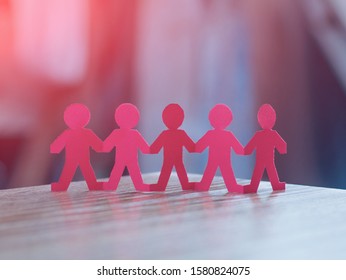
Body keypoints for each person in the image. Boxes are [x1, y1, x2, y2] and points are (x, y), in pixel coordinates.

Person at [50, 103, 103, 191]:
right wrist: (101, 147)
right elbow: (97, 144)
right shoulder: (78, 133)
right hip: (78, 157)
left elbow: (57, 144)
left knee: (75, 169)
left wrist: (54, 148)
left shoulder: (70, 133)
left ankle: (63, 186)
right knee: (81, 169)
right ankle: (91, 184)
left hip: (76, 157)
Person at [195, 104, 244, 192]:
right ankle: (231, 186)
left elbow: (198, 148)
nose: (219, 120)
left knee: (210, 175)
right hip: (223, 160)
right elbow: (239, 150)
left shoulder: (211, 134)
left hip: (215, 160)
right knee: (227, 176)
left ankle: (205, 185)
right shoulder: (228, 135)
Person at [103, 103, 150, 191]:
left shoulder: (129, 134)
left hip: (127, 160)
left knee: (131, 179)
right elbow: (145, 149)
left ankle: (111, 185)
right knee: (135, 181)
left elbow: (105, 147)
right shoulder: (128, 133)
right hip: (125, 160)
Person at [150, 104, 195, 191]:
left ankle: (162, 186)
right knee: (178, 170)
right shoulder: (180, 134)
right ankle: (184, 185)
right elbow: (191, 148)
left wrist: (147, 149)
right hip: (175, 159)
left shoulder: (166, 134)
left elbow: (154, 149)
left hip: (170, 159)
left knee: (169, 170)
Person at [244, 104, 287, 193]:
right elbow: (282, 145)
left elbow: (249, 147)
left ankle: (273, 185)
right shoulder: (263, 135)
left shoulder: (265, 135)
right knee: (264, 171)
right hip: (265, 159)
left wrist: (245, 151)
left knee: (266, 171)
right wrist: (246, 150)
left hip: (266, 159)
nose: (266, 120)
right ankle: (256, 186)